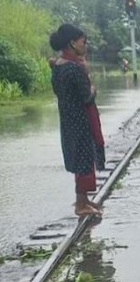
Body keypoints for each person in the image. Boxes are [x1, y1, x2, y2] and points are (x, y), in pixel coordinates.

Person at [49, 23, 105, 216]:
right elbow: (87, 97)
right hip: (81, 120)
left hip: (67, 119)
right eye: (83, 42)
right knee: (84, 160)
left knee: (79, 158)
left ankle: (84, 200)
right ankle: (81, 204)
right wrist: (93, 87)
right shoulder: (75, 68)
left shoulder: (57, 66)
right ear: (72, 43)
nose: (85, 45)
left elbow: (58, 91)